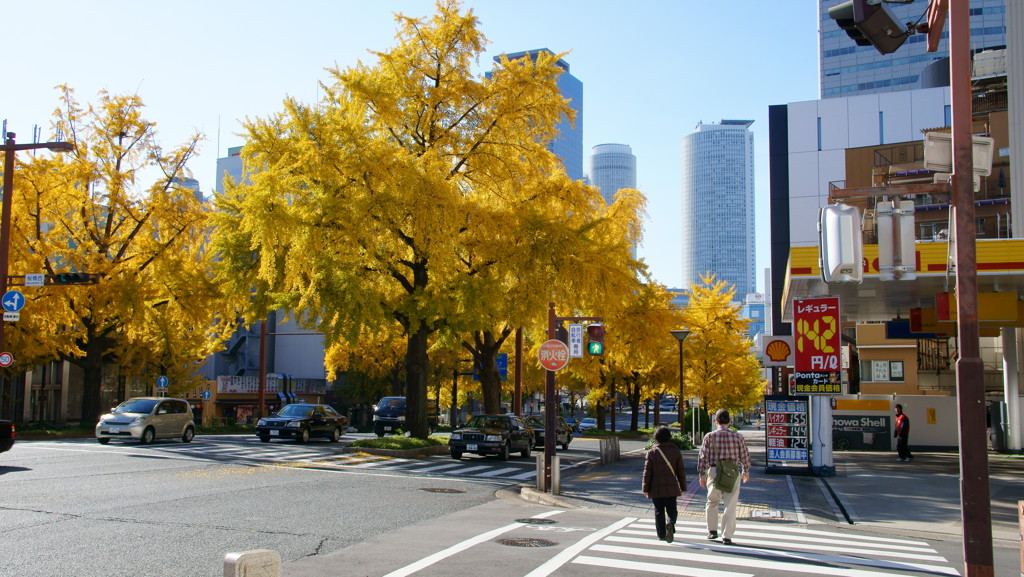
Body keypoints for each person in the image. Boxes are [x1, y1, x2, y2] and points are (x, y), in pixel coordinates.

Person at [697, 409, 751, 545]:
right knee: (730, 505)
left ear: (716, 421)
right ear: (729, 421)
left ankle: (712, 531)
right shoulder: (737, 437)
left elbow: (703, 457)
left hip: (715, 471)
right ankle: (727, 535)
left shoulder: (709, 437)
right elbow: (745, 455)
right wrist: (746, 471)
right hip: (732, 472)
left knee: (712, 502)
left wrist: (702, 474)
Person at [642, 426, 687, 543]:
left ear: (656, 437)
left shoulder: (652, 452)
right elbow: (680, 471)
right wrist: (683, 487)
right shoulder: (675, 451)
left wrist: (645, 488)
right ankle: (670, 523)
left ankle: (661, 534)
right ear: (669, 437)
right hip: (671, 487)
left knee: (659, 510)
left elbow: (647, 473)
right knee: (672, 509)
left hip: (656, 487)